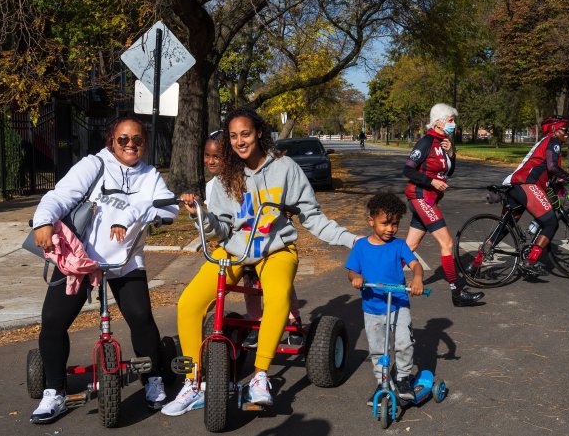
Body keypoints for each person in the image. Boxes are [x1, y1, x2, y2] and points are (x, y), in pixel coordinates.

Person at [162, 107, 359, 416]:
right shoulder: (227, 176)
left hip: (276, 248)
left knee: (278, 296)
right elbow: (220, 231)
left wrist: (356, 242)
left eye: (246, 134)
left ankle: (260, 376)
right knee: (189, 302)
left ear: (259, 134)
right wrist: (201, 215)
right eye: (234, 136)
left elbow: (314, 219)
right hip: (235, 248)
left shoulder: (286, 169)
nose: (240, 141)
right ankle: (193, 382)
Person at [28, 116, 178, 424]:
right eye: (123, 139)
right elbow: (60, 195)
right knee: (54, 320)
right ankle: (54, 391)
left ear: (144, 143)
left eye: (136, 139)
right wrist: (43, 219)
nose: (130, 145)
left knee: (140, 317)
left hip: (125, 259)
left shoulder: (149, 175)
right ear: (112, 140)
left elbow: (168, 207)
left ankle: (152, 378)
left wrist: (139, 212)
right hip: (81, 258)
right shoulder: (93, 165)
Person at [201, 130, 302, 350]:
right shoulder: (213, 185)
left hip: (267, 238)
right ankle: (255, 321)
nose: (211, 161)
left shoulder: (253, 174)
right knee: (249, 283)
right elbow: (219, 221)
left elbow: (271, 197)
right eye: (207, 156)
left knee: (280, 283)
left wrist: (281, 211)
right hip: (239, 244)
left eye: (217, 157)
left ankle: (294, 319)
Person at [345, 193, 424, 404]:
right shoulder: (361, 246)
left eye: (395, 224)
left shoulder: (398, 246)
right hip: (372, 306)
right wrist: (357, 277)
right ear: (371, 221)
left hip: (398, 303)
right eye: (385, 223)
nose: (390, 229)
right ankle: (383, 382)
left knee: (404, 343)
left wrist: (417, 278)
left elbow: (415, 264)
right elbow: (352, 271)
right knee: (378, 349)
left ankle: (403, 378)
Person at [403, 103, 484, 307]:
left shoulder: (443, 143)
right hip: (421, 197)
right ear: (438, 122)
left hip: (429, 199)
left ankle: (383, 277)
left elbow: (448, 172)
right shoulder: (427, 142)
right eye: (450, 120)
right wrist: (431, 182)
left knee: (410, 246)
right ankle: (457, 292)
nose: (453, 124)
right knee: (447, 243)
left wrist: (451, 155)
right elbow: (408, 170)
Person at [486, 115, 569, 275]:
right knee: (551, 223)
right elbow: (552, 167)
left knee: (508, 224)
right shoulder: (553, 142)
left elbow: (547, 172)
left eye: (568, 130)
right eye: (564, 130)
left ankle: (479, 257)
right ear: (554, 129)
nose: (567, 133)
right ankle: (530, 260)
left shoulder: (546, 142)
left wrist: (558, 185)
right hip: (527, 184)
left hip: (514, 184)